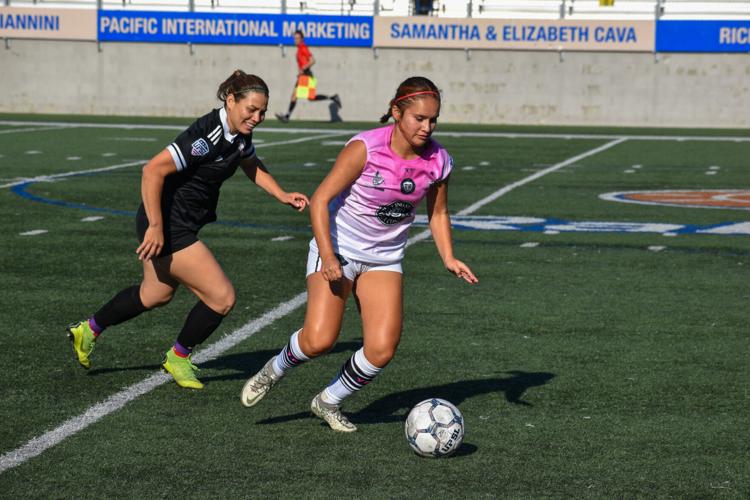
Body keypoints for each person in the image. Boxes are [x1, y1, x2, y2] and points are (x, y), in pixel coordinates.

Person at [241, 76, 478, 431]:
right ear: (397, 112)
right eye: (419, 118)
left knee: (382, 348)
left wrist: (448, 257)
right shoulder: (365, 148)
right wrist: (329, 256)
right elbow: (320, 201)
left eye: (433, 120)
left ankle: (329, 400)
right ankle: (275, 369)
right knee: (319, 340)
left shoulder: (439, 161)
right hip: (338, 248)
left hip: (384, 259)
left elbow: (439, 212)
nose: (427, 127)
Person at [66, 70, 309, 390]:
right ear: (231, 100)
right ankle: (179, 356)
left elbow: (249, 162)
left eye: (262, 111)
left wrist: (281, 194)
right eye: (251, 109)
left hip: (177, 221)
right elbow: (152, 170)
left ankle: (89, 329)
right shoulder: (206, 136)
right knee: (222, 297)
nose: (257, 117)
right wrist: (155, 226)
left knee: (155, 294)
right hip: (168, 223)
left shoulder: (239, 132)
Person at [274, 30, 341, 123]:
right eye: (295, 38)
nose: (295, 40)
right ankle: (287, 116)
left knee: (303, 97)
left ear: (302, 39)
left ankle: (287, 116)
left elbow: (313, 60)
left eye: (297, 38)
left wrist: (303, 69)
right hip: (303, 75)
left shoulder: (303, 47)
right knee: (299, 96)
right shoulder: (299, 48)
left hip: (306, 75)